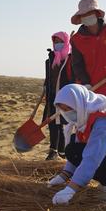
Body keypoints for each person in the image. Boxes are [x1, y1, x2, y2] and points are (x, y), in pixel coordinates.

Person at [42, 32, 72, 160]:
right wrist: (45, 87)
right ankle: (57, 151)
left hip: (64, 96)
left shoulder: (70, 59)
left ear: (65, 42)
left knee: (60, 122)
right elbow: (49, 77)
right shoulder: (50, 60)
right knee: (52, 122)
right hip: (52, 95)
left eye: (60, 41)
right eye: (55, 41)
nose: (57, 44)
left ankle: (58, 151)